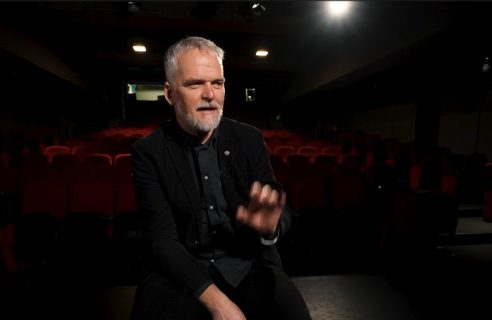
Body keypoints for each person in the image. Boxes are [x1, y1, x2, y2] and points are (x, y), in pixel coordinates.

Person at [130, 36, 311, 320]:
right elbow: (162, 241)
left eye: (217, 83)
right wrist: (218, 303)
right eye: (194, 84)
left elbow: (278, 208)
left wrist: (269, 226)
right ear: (169, 94)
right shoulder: (148, 152)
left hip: (248, 263)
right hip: (181, 270)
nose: (209, 94)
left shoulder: (249, 139)